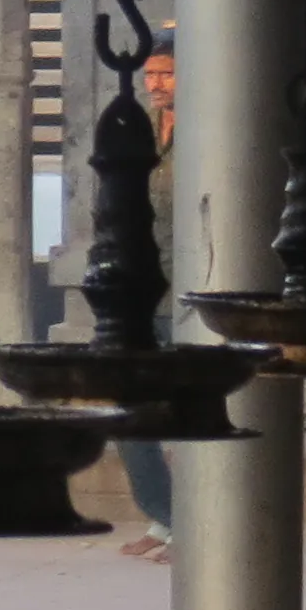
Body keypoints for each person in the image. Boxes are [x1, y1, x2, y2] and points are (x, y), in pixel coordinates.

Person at [109, 31, 183, 559]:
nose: (154, 83)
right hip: (141, 289)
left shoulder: (210, 130)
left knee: (193, 412)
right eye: (150, 73)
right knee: (127, 409)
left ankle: (197, 527)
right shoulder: (142, 129)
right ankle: (164, 516)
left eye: (166, 73)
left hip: (191, 290)